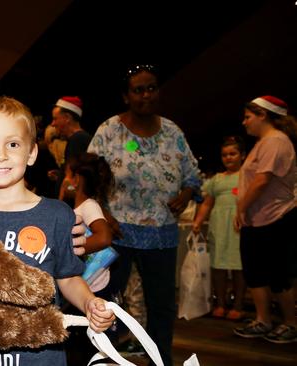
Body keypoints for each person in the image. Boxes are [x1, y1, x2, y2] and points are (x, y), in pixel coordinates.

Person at [0, 96, 115, 365]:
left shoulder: (57, 215)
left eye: (12, 144)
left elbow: (67, 278)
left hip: (42, 356)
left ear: (31, 153)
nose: (0, 155)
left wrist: (90, 302)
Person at [87, 64, 202, 365]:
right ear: (126, 96)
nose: (146, 95)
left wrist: (186, 194)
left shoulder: (173, 132)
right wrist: (105, 216)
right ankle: (103, 359)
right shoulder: (109, 130)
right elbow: (88, 177)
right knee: (108, 303)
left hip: (162, 234)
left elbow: (192, 175)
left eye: (151, 88)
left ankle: (160, 360)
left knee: (161, 306)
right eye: (138, 89)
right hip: (118, 233)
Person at [233, 95, 297, 343]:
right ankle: (263, 320)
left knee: (279, 275)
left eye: (248, 116)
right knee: (256, 272)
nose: (244, 122)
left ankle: (291, 323)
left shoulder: (276, 141)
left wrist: (240, 208)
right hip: (257, 220)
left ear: (263, 115)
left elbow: (262, 180)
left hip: (276, 218)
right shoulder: (263, 142)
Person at [192, 136, 247, 320]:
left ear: (242, 155)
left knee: (240, 268)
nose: (229, 158)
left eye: (233, 153)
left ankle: (238, 304)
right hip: (219, 228)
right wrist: (198, 221)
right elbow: (207, 203)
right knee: (218, 267)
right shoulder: (217, 179)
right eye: (225, 155)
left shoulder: (247, 176)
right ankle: (221, 303)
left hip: (239, 228)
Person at [51, 96, 92, 207]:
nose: (52, 124)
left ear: (67, 117)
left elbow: (73, 182)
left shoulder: (78, 140)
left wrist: (60, 205)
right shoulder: (77, 139)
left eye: (55, 119)